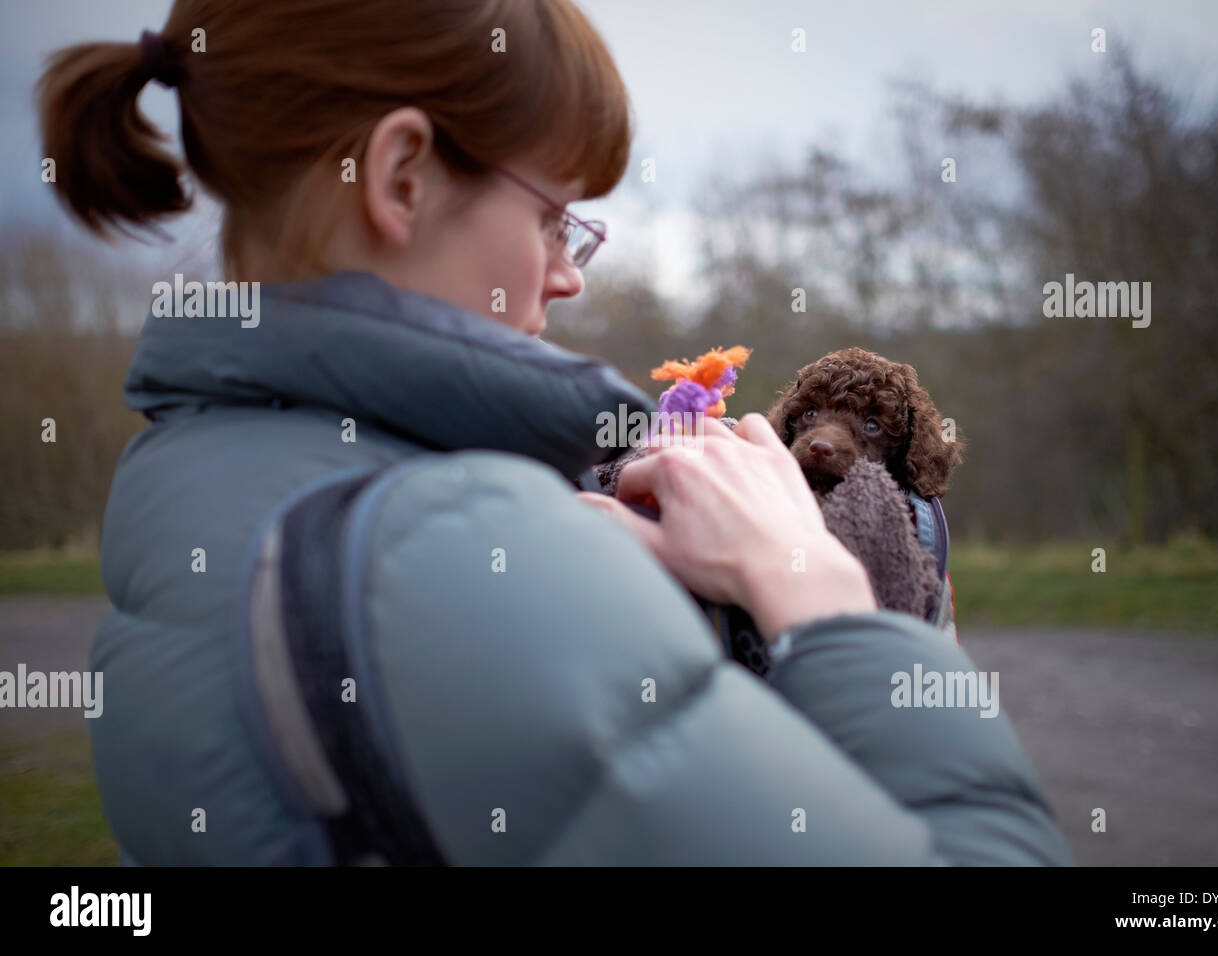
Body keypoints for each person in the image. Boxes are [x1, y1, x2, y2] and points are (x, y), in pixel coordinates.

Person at [38, 0, 1073, 865]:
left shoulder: (189, 476)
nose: (570, 272)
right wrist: (828, 599)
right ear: (400, 176)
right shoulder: (450, 554)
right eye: (550, 218)